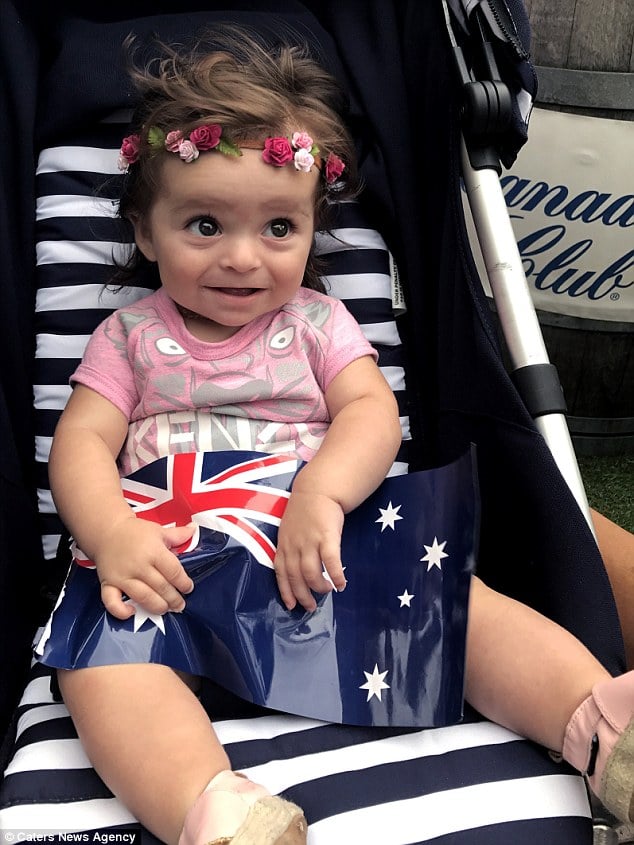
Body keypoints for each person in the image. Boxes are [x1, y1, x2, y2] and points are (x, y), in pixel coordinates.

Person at [45, 26, 634, 845]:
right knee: (98, 668)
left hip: (317, 540)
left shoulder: (319, 324)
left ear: (313, 227)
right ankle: (217, 807)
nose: (243, 258)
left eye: (278, 229)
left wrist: (322, 491)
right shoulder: (130, 336)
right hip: (172, 555)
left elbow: (369, 412)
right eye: (205, 226)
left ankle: (602, 730)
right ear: (145, 233)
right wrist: (110, 533)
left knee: (459, 609)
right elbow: (79, 441)